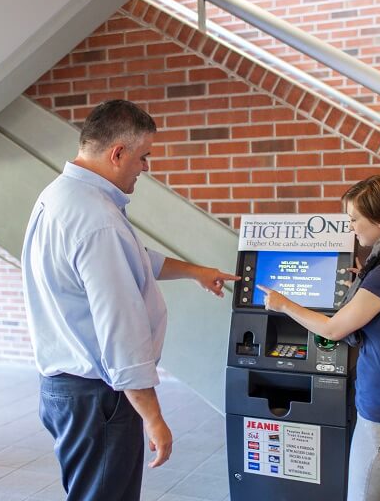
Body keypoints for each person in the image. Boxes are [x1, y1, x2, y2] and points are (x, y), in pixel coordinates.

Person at [21, 99, 239, 501]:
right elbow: (122, 334)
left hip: (65, 390)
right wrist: (153, 417)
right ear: (117, 153)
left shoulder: (60, 196)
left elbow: (133, 259)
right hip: (99, 397)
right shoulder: (97, 219)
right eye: (143, 157)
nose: (145, 168)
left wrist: (194, 271)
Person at [257, 175, 380, 501]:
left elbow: (333, 330)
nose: (351, 227)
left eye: (354, 219)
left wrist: (283, 304)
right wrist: (364, 286)